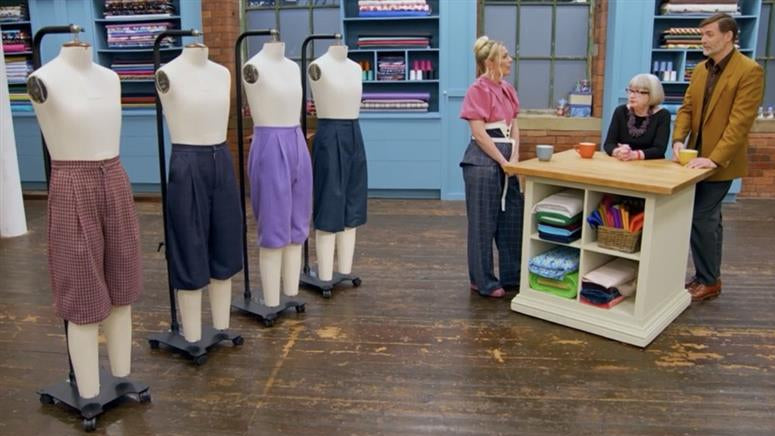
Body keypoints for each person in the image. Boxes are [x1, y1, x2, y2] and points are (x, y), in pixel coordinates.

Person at [672, 13, 763, 302]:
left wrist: (714, 159)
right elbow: (686, 108)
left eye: (709, 34)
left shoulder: (749, 71)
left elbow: (740, 123)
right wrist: (678, 139)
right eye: (702, 34)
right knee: (710, 218)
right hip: (693, 159)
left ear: (728, 36)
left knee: (701, 216)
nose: (703, 40)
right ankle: (709, 276)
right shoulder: (701, 69)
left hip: (721, 162)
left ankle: (708, 281)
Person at [459, 36, 523, 298]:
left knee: (512, 218)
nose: (510, 60)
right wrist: (502, 160)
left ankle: (512, 275)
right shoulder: (477, 90)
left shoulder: (508, 88)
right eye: (505, 56)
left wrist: (515, 158)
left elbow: (515, 125)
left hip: (507, 160)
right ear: (490, 62)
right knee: (483, 223)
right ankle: (482, 280)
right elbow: (479, 133)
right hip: (482, 161)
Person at [604, 74, 670, 160]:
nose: (632, 96)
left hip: (651, 165)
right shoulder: (620, 111)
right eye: (630, 91)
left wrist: (634, 155)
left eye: (639, 92)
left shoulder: (662, 115)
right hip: (623, 163)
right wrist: (618, 151)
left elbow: (659, 149)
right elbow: (609, 144)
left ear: (652, 94)